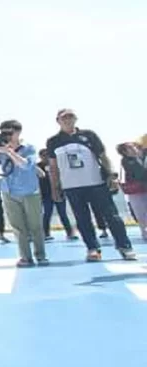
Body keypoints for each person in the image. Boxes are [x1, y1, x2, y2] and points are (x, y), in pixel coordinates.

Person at [46, 109, 137, 262]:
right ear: (58, 121)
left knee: (112, 216)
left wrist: (112, 175)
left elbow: (103, 156)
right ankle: (93, 248)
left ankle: (124, 246)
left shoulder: (89, 135)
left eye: (70, 116)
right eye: (64, 118)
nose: (67, 120)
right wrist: (55, 187)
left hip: (96, 183)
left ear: (75, 118)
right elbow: (53, 167)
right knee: (82, 219)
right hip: (72, 187)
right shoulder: (53, 141)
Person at [0, 120, 47, 266]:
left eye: (9, 133)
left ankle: (40, 255)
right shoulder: (0, 150)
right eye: (4, 133)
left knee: (35, 226)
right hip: (9, 191)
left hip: (29, 191)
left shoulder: (28, 148)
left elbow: (26, 165)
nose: (6, 136)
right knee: (18, 227)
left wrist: (10, 152)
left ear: (18, 132)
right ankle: (25, 257)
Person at [37, 149, 75, 241]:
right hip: (46, 194)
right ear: (40, 156)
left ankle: (70, 233)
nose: (46, 157)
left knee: (63, 213)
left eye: (47, 155)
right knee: (47, 214)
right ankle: (46, 233)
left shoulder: (56, 165)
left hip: (59, 193)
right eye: (43, 155)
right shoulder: (38, 166)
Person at [117, 141, 147, 241]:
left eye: (133, 146)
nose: (133, 149)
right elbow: (139, 174)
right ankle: (145, 232)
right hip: (136, 190)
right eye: (128, 148)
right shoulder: (126, 161)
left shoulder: (144, 156)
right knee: (140, 213)